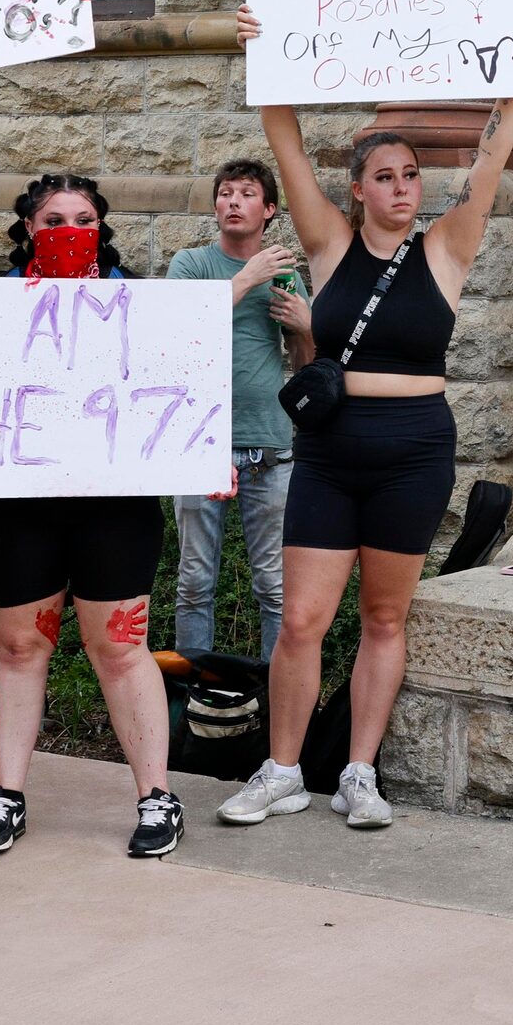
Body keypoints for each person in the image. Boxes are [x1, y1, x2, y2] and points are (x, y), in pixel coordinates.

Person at [217, 15, 513, 832]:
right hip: (330, 453)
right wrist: (265, 47)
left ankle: (358, 772)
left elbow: (490, 162)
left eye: (411, 175)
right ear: (358, 187)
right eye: (387, 176)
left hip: (414, 452)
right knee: (300, 619)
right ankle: (282, 768)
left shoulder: (446, 248)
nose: (404, 187)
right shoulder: (327, 244)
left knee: (385, 617)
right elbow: (284, 139)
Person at [0, 174, 186, 860]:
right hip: (17, 498)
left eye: (83, 217)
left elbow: (178, 384)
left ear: (101, 226)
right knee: (19, 645)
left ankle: (157, 797)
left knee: (120, 646)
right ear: (28, 227)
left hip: (113, 500)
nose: (67, 226)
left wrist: (200, 450)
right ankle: (6, 794)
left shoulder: (137, 303)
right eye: (53, 216)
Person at [165, 158, 313, 664]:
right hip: (198, 442)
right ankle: (190, 710)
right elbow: (176, 329)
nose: (233, 201)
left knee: (274, 586)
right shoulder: (192, 263)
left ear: (269, 209)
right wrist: (249, 276)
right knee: (194, 581)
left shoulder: (284, 273)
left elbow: (306, 365)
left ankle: (277, 705)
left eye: (247, 194)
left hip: (269, 444)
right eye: (226, 193)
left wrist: (305, 328)